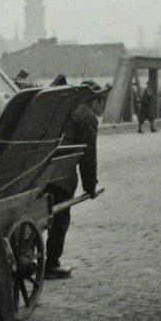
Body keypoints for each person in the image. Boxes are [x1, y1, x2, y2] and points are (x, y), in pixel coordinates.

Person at [45, 80, 103, 280]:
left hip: (38, 171)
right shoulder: (86, 117)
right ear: (94, 101)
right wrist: (90, 186)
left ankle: (26, 256)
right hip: (61, 175)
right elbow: (88, 155)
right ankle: (51, 263)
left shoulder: (63, 110)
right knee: (60, 219)